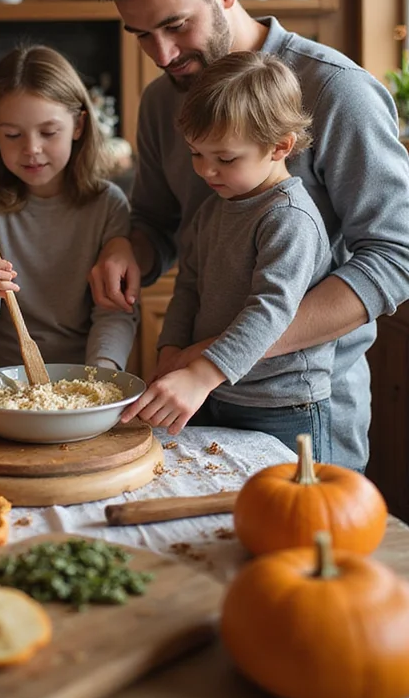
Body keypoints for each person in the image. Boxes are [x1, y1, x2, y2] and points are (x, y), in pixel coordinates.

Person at [90, 0, 409, 471]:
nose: (161, 55)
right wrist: (129, 248)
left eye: (176, 25)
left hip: (305, 407)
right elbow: (162, 225)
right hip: (199, 399)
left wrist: (211, 358)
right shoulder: (163, 99)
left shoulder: (338, 92)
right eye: (141, 34)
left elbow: (395, 257)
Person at [122, 51, 335, 459]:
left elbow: (271, 310)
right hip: (214, 391)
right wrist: (170, 355)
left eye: (225, 158)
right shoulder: (215, 206)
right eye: (196, 154)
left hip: (282, 407)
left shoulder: (289, 219)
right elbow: (188, 287)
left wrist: (202, 372)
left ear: (280, 146)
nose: (206, 171)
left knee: (284, 512)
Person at [0, 45, 138, 372]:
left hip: (85, 376)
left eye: (48, 132)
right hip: (4, 382)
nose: (31, 149)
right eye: (12, 135)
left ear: (78, 126)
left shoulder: (108, 203)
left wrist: (100, 376)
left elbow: (114, 312)